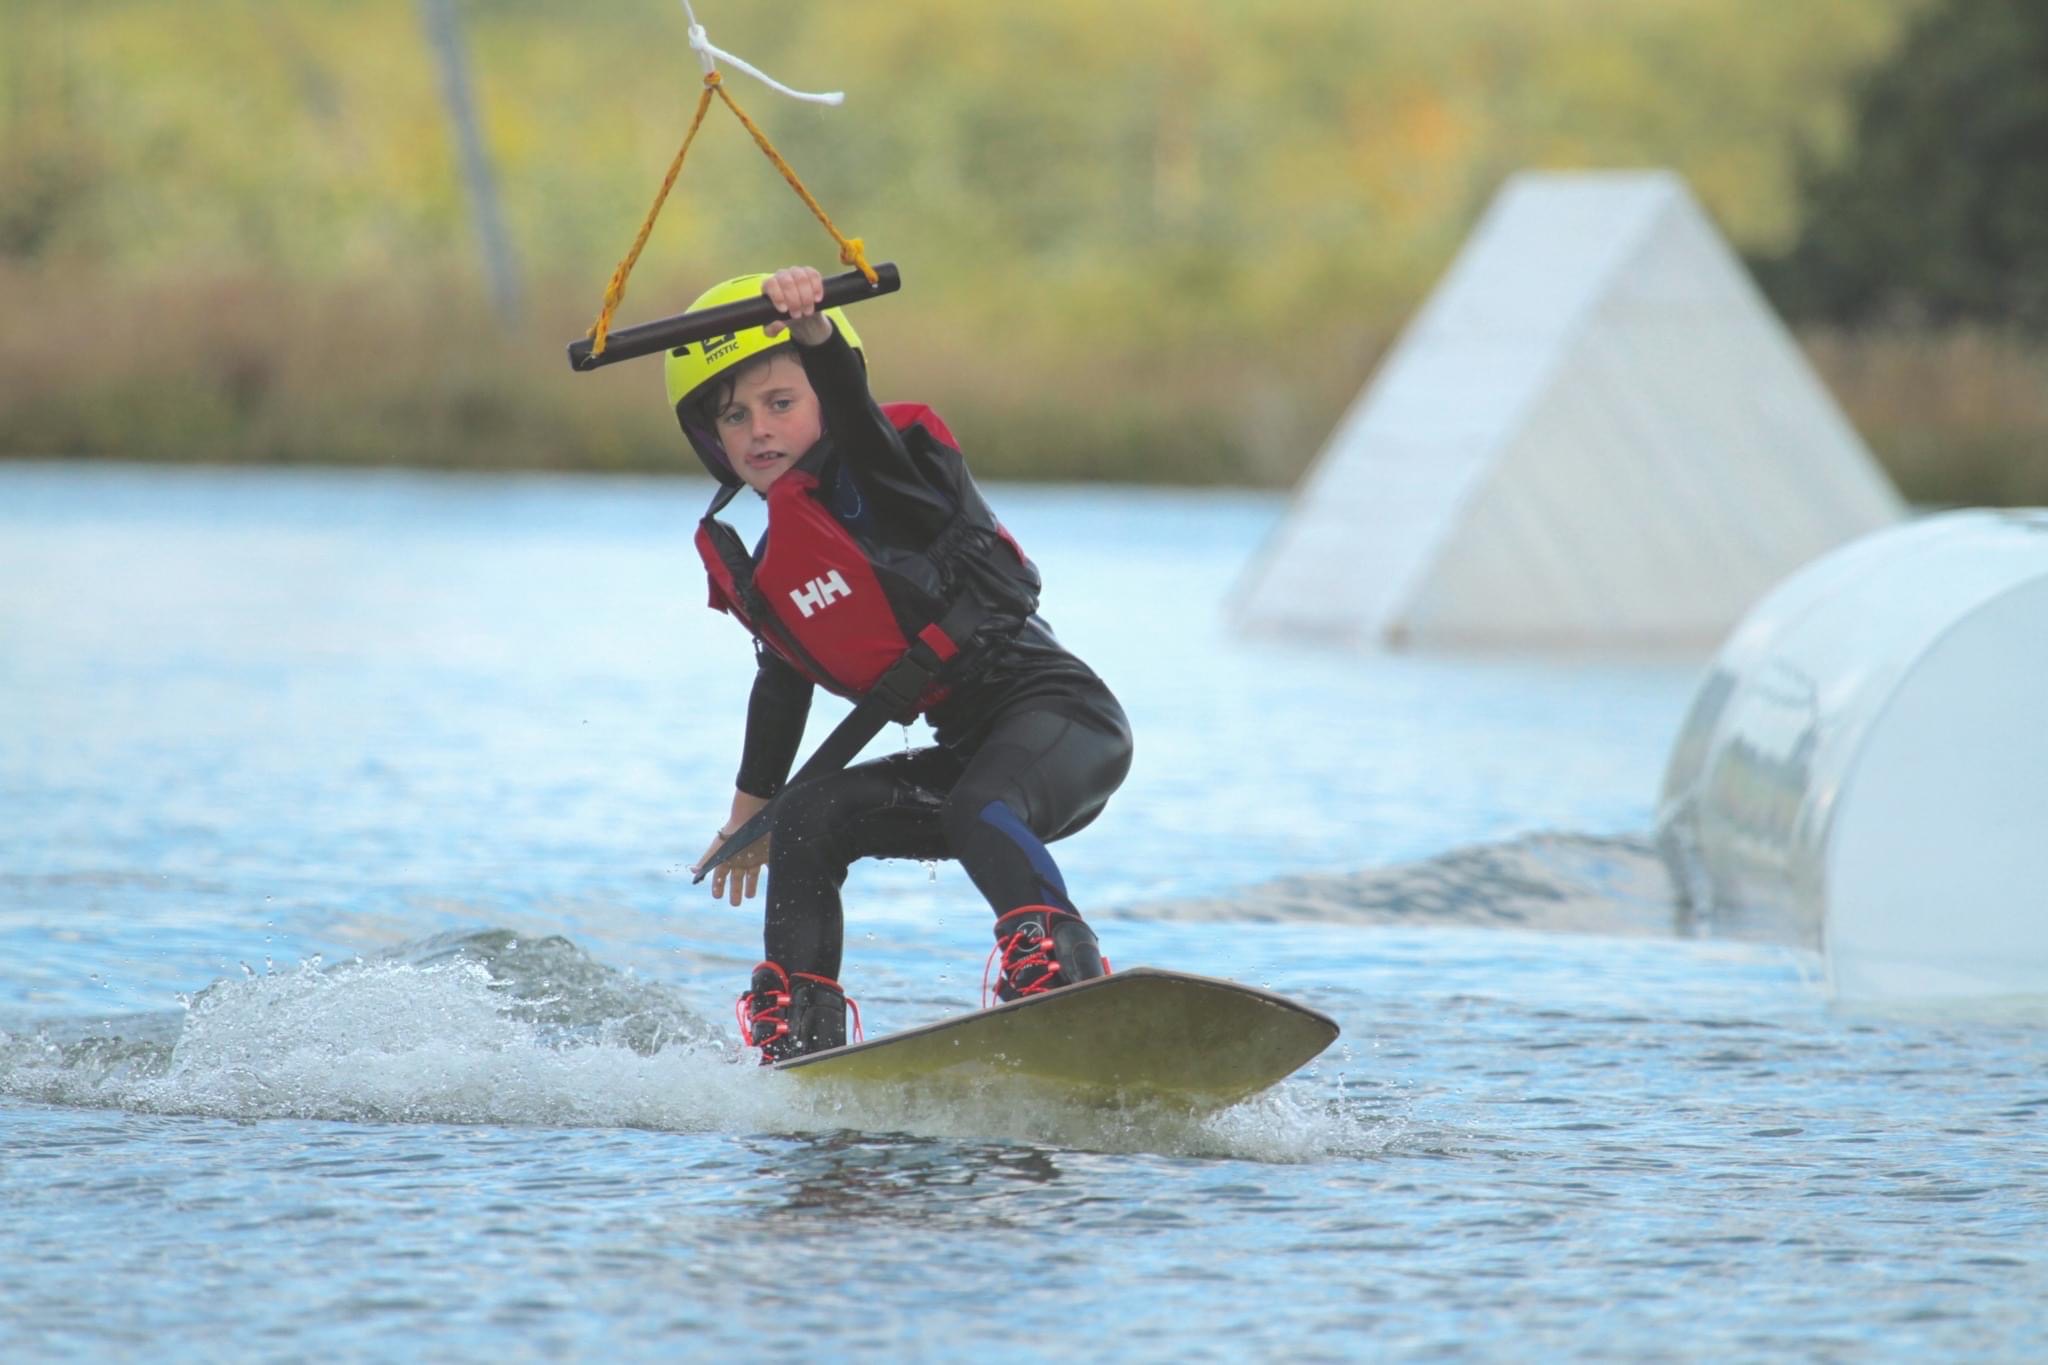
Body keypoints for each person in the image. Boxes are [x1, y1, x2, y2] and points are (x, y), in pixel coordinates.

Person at [673, 266, 1134, 1063]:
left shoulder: (883, 480)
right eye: (736, 417)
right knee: (808, 815)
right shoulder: (784, 568)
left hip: (1065, 721)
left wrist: (813, 330)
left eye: (781, 403)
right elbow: (782, 682)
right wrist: (750, 814)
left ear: (820, 399)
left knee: (978, 803)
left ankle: (1062, 972)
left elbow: (856, 414)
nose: (758, 430)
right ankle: (799, 1037)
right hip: (968, 755)